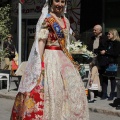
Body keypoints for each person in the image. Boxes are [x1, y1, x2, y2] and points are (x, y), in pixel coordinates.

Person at [10, 0, 89, 120]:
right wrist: (39, 64)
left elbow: (65, 44)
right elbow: (41, 42)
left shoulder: (66, 21)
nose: (60, 4)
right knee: (51, 91)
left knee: (69, 92)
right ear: (51, 2)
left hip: (63, 59)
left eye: (63, 2)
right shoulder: (47, 19)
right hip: (49, 57)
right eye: (57, 1)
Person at [87, 25, 108, 97]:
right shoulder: (92, 38)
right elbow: (89, 47)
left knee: (102, 75)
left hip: (101, 58)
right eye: (93, 30)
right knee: (93, 75)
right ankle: (94, 92)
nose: (94, 31)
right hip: (93, 58)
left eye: (95, 30)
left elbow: (106, 47)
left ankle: (104, 93)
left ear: (100, 30)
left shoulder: (105, 38)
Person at [100, 29, 120, 100]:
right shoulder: (107, 42)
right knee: (104, 78)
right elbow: (102, 48)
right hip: (105, 62)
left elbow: (115, 53)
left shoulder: (117, 43)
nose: (108, 35)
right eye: (108, 34)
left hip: (112, 63)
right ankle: (104, 93)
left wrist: (106, 52)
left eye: (109, 34)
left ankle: (112, 94)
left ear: (114, 35)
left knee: (112, 78)